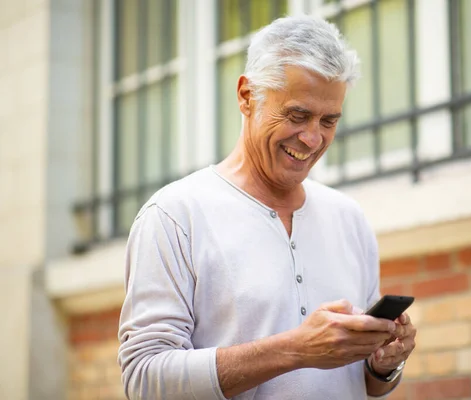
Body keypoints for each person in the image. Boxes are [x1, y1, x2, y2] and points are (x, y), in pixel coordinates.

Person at [118, 14, 417, 400]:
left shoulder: (349, 218)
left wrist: (383, 363)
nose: (312, 139)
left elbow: (367, 386)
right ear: (247, 96)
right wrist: (295, 349)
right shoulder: (175, 216)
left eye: (329, 121)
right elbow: (145, 379)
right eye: (297, 115)